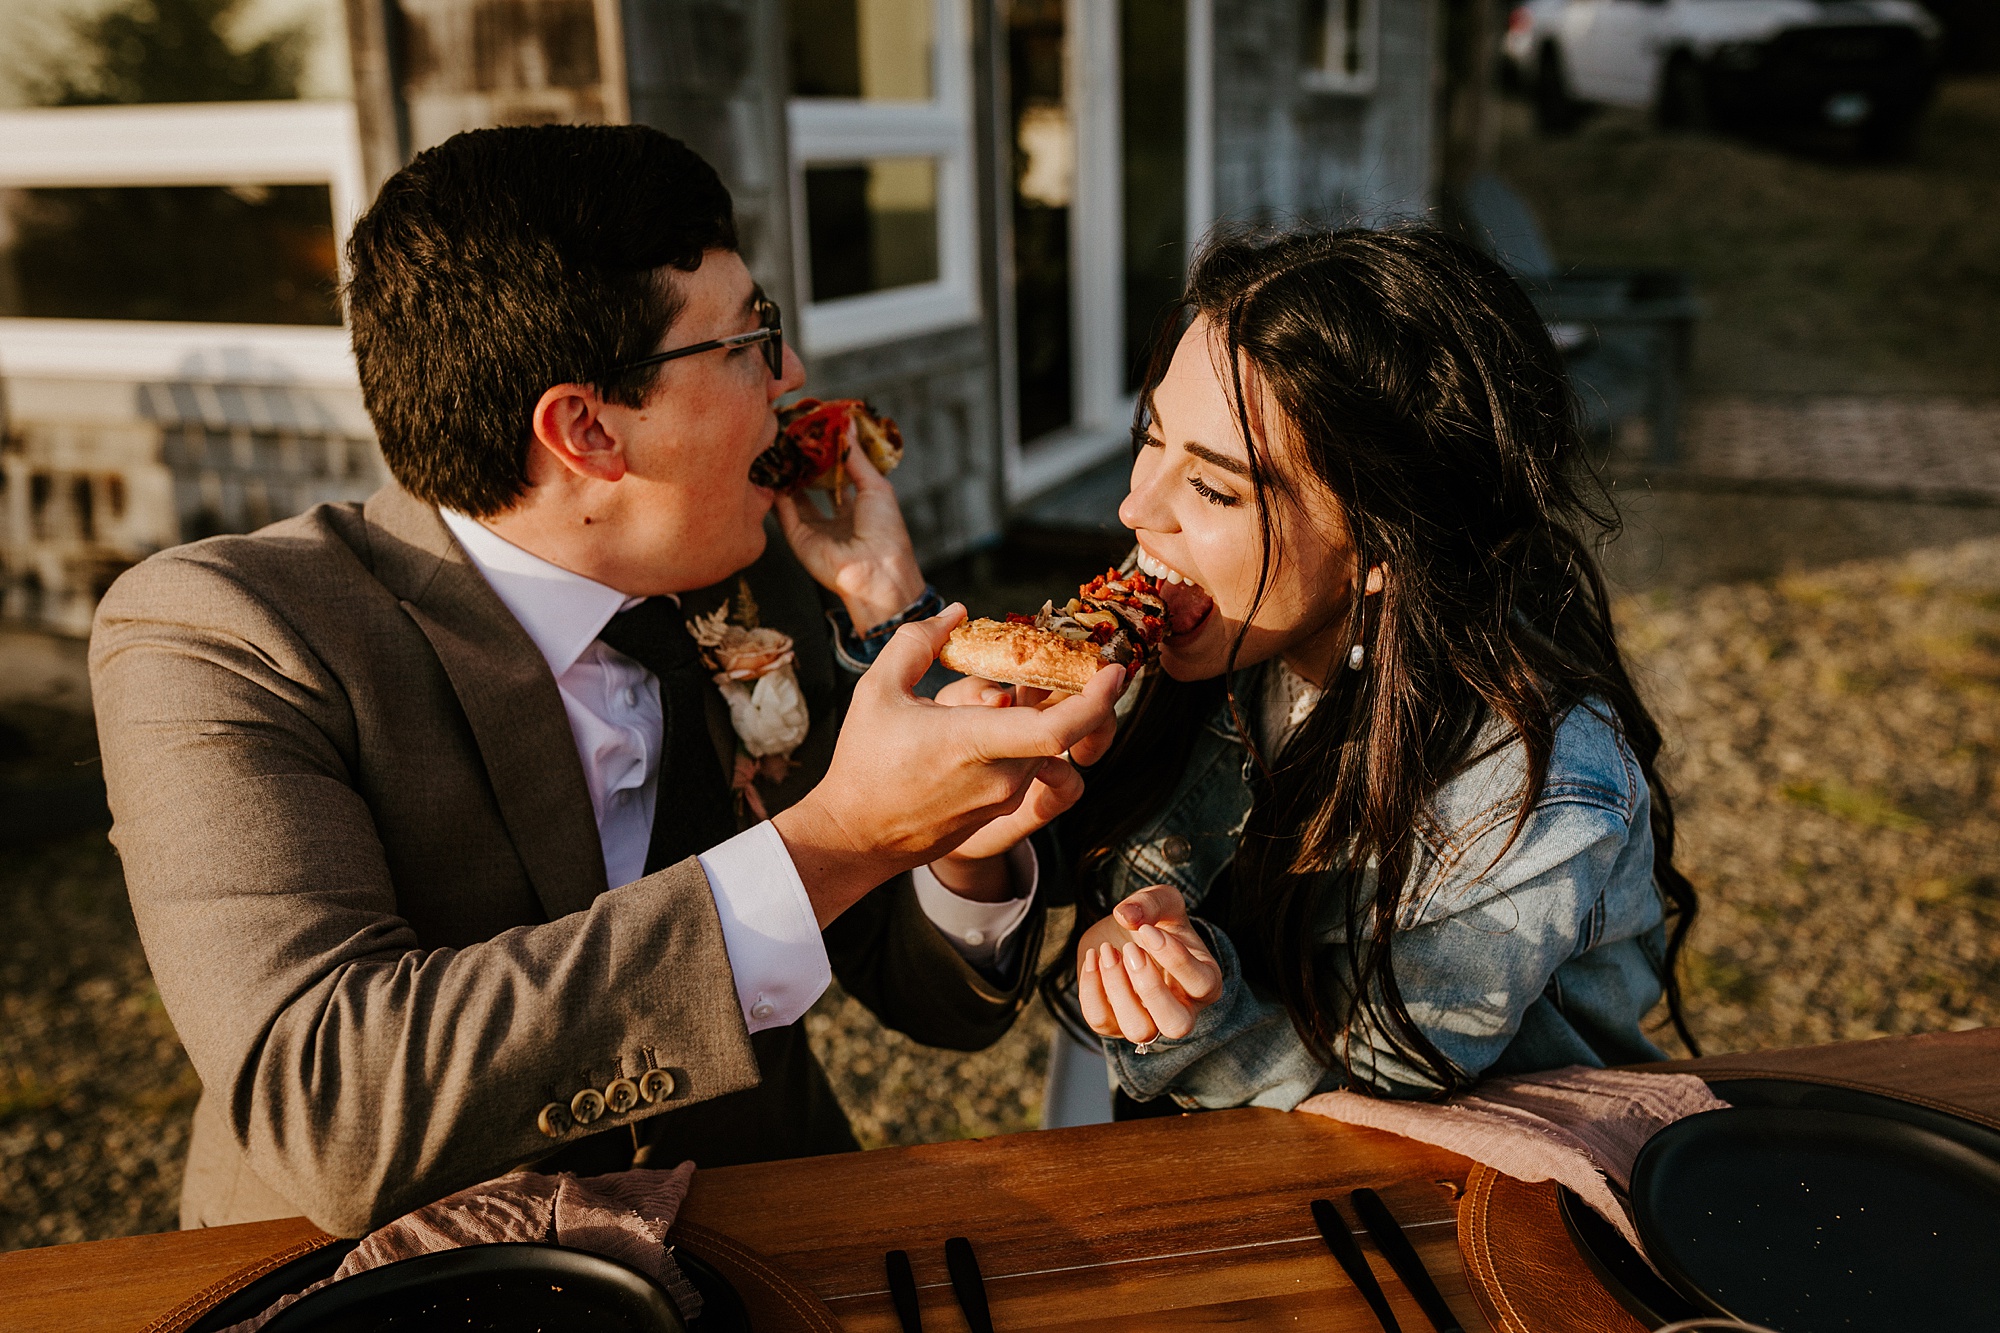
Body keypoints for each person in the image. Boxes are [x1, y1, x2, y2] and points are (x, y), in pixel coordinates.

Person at [88, 123, 1120, 1235]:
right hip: (402, 1288)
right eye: (745, 340)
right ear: (583, 428)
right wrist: (836, 840)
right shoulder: (222, 636)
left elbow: (930, 1000)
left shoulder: (747, 574)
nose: (792, 374)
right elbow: (336, 1105)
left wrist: (952, 831)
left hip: (757, 1233)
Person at [945, 225, 1699, 1113]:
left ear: (1383, 545)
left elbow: (1387, 1099)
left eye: (1215, 488)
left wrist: (1190, 1007)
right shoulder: (1201, 646)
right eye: (1153, 439)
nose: (1135, 505)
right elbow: (1052, 863)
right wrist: (974, 843)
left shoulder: (1531, 785)